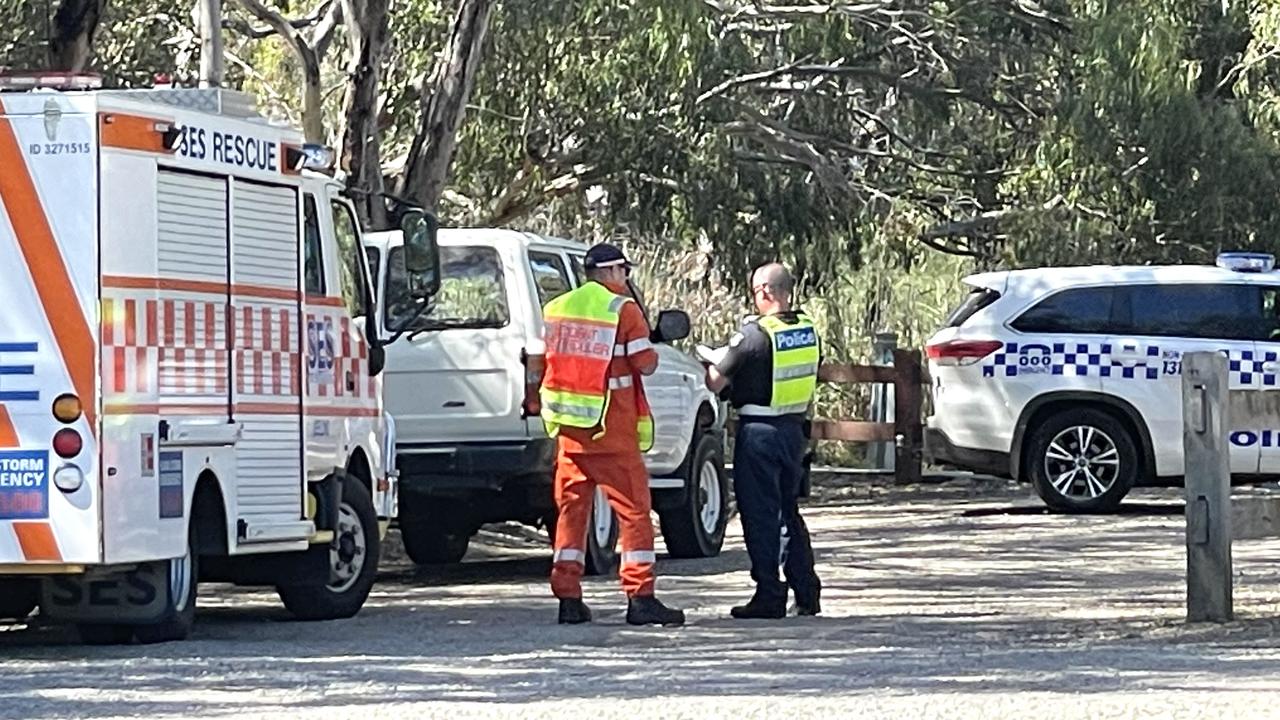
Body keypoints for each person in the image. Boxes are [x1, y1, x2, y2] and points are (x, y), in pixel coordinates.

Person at [539, 243, 686, 627]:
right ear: (614, 272)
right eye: (625, 271)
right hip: (613, 431)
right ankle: (640, 597)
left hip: (571, 434)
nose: (627, 279)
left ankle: (568, 599)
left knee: (571, 516)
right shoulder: (623, 310)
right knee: (635, 513)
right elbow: (646, 364)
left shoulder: (556, 309)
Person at [705, 263, 822, 619]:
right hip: (793, 431)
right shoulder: (806, 329)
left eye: (755, 292)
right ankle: (806, 591)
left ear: (766, 292)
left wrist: (708, 359)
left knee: (761, 516)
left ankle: (769, 594)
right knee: (789, 511)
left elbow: (715, 381)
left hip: (759, 433)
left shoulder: (754, 335)